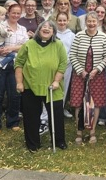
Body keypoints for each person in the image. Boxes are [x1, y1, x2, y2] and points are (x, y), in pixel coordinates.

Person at [14, 21, 67, 152]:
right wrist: (19, 82)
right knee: (31, 115)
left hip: (52, 86)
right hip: (31, 85)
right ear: (39, 30)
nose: (47, 29)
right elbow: (19, 63)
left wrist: (56, 81)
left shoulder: (58, 45)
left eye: (50, 28)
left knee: (56, 115)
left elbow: (62, 64)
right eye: (44, 27)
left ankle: (59, 141)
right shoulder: (29, 44)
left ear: (53, 32)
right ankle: (33, 143)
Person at [0, 2, 27, 133]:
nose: (16, 15)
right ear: (8, 13)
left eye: (18, 13)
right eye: (13, 12)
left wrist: (12, 48)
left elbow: (26, 46)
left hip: (15, 64)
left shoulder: (22, 29)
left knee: (15, 94)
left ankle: (13, 121)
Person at [68, 12, 106, 144]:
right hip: (80, 74)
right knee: (78, 103)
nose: (91, 24)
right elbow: (72, 54)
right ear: (85, 22)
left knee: (95, 103)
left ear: (98, 22)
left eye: (94, 21)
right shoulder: (79, 36)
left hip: (97, 75)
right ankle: (79, 131)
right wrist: (80, 70)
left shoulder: (103, 37)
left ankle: (92, 131)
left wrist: (97, 69)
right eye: (89, 21)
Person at [55, 12, 76, 119]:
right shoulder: (53, 34)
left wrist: (64, 62)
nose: (62, 22)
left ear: (67, 21)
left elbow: (73, 51)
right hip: (53, 65)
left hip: (67, 65)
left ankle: (60, 109)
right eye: (60, 20)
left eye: (64, 20)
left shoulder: (72, 35)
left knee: (64, 88)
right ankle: (49, 111)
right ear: (56, 21)